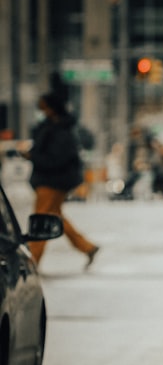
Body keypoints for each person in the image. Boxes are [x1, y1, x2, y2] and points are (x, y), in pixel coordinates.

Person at [24, 92, 99, 268]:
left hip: (52, 181)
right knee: (54, 218)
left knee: (41, 221)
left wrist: (33, 156)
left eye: (43, 106)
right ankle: (87, 247)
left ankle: (32, 262)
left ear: (51, 108)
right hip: (51, 179)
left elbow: (57, 158)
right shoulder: (53, 126)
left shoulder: (60, 130)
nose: (40, 109)